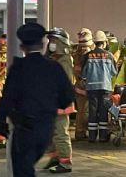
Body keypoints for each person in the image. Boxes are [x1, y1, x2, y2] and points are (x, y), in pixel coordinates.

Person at [0, 23, 75, 177]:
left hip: (24, 128)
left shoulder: (18, 67)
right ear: (43, 43)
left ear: (22, 47)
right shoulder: (54, 67)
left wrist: (0, 121)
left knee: (22, 169)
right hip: (45, 127)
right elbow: (68, 97)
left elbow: (7, 98)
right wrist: (50, 105)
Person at [44, 28, 75, 173]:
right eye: (50, 41)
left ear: (61, 43)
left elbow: (65, 83)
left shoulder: (64, 60)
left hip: (60, 103)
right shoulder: (52, 60)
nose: (51, 44)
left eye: (53, 41)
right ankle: (56, 158)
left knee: (60, 133)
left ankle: (65, 163)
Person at [81, 30, 117, 143]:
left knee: (92, 110)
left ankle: (92, 136)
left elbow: (83, 74)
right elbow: (114, 72)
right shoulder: (109, 56)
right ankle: (102, 136)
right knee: (103, 110)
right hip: (105, 87)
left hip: (91, 88)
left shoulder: (88, 55)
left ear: (94, 42)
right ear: (104, 42)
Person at [72, 28, 94, 140]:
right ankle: (80, 133)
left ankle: (80, 131)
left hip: (79, 84)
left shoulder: (77, 53)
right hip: (84, 84)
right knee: (84, 111)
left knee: (81, 110)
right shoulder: (86, 53)